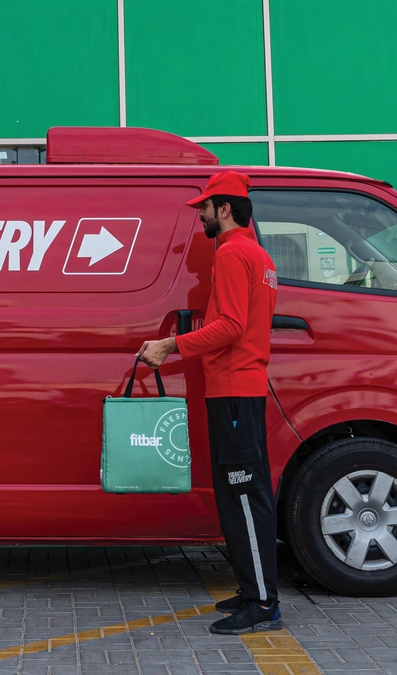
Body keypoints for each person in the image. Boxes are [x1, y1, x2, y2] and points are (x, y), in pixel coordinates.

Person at [137, 170, 280, 635]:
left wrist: (171, 345)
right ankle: (252, 588)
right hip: (237, 390)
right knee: (240, 493)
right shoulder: (257, 255)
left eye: (204, 206)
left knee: (244, 495)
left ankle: (262, 604)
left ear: (225, 208)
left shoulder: (233, 253)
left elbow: (232, 326)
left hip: (235, 390)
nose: (200, 214)